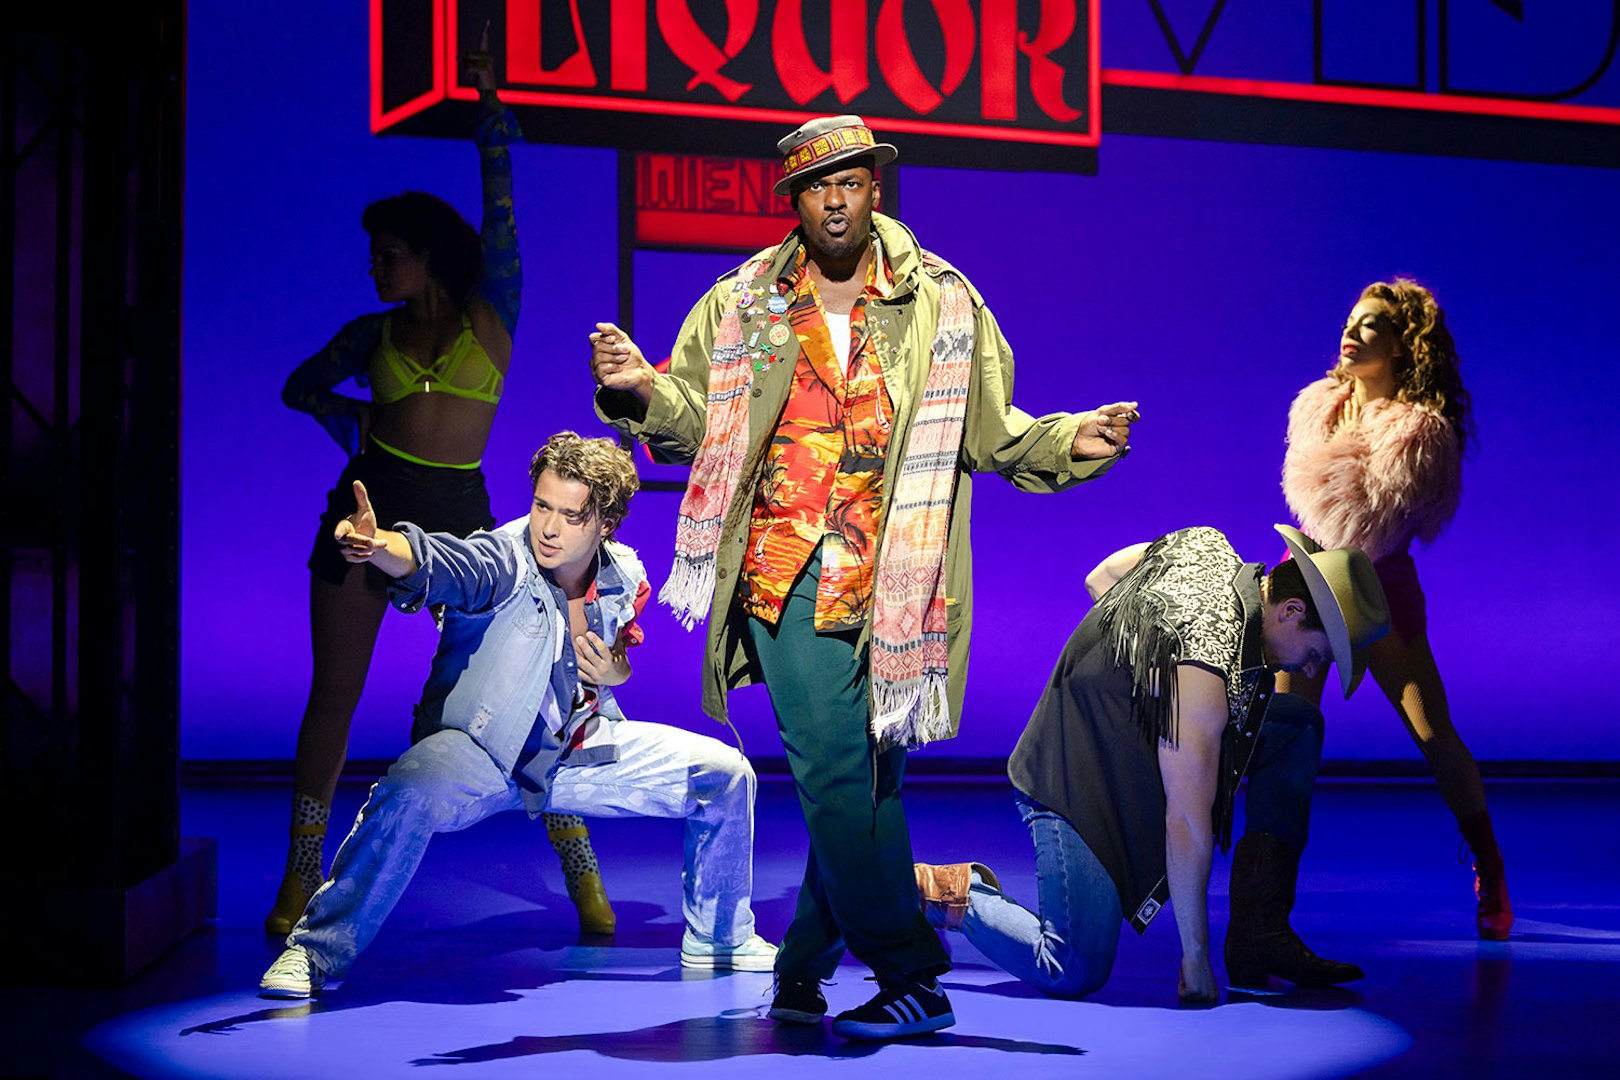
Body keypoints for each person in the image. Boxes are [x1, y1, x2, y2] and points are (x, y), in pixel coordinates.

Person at [589, 114, 1138, 1039]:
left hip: (898, 582)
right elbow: (692, 423)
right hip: (784, 569)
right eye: (817, 187)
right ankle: (911, 971)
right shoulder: (744, 301)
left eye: (850, 182)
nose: (836, 201)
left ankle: (803, 967)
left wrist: (1071, 440)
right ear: (795, 202)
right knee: (838, 772)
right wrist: (642, 391)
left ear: (874, 189)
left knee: (866, 783)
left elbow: (994, 431)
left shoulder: (944, 303)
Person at [270, 35, 614, 938]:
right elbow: (299, 387)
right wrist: (356, 426)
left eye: (387, 253)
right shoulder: (369, 333)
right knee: (334, 695)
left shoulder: (492, 313)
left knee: (528, 692)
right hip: (367, 508)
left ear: (425, 255)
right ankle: (300, 878)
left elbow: (503, 221)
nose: (375, 267)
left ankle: (582, 874)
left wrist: (491, 119)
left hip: (461, 518)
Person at [258, 433, 774, 999]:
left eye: (570, 516)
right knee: (407, 791)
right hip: (481, 751)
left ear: (605, 524)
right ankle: (314, 951)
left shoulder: (623, 574)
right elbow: (440, 562)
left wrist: (616, 671)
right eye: (541, 506)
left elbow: (618, 659)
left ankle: (719, 938)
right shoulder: (504, 558)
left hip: (578, 750)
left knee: (725, 774)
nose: (548, 528)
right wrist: (378, 545)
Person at [916, 525, 1390, 1002]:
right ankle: (947, 892)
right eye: (1316, 654)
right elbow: (1185, 820)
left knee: (1296, 725)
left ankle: (1259, 935)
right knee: (1072, 967)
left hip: (1140, 748)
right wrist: (1195, 958)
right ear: (1292, 610)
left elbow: (1102, 577)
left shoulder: (1208, 547)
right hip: (1077, 777)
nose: (1308, 669)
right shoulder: (1205, 658)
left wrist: (1134, 672)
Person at [1280, 279, 1509, 940]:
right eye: (1350, 321)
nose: (1351, 333)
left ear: (1403, 344)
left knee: (1432, 734)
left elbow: (1381, 525)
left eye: (1371, 324)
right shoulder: (1316, 409)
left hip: (1377, 584)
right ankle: (1268, 909)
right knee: (1288, 740)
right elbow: (1318, 516)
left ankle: (1490, 865)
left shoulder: (1419, 432)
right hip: (1309, 581)